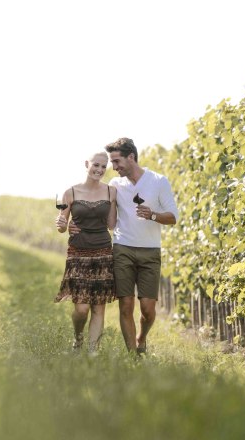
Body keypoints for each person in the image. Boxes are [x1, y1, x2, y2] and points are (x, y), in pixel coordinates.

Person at [69, 138, 178, 355]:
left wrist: (153, 215)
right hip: (122, 248)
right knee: (125, 305)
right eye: (112, 162)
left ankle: (142, 338)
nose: (114, 167)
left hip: (150, 251)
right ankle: (132, 356)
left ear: (131, 157)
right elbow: (98, 210)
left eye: (117, 161)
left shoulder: (158, 181)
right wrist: (74, 222)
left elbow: (173, 217)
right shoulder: (116, 186)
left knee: (148, 310)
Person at [54, 151, 118, 353]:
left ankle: (93, 353)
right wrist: (62, 223)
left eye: (103, 166)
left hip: (103, 251)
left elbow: (111, 224)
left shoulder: (111, 192)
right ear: (87, 164)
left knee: (99, 306)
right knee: (81, 308)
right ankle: (78, 337)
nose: (99, 170)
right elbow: (61, 226)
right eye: (96, 165)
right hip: (78, 252)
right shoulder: (70, 192)